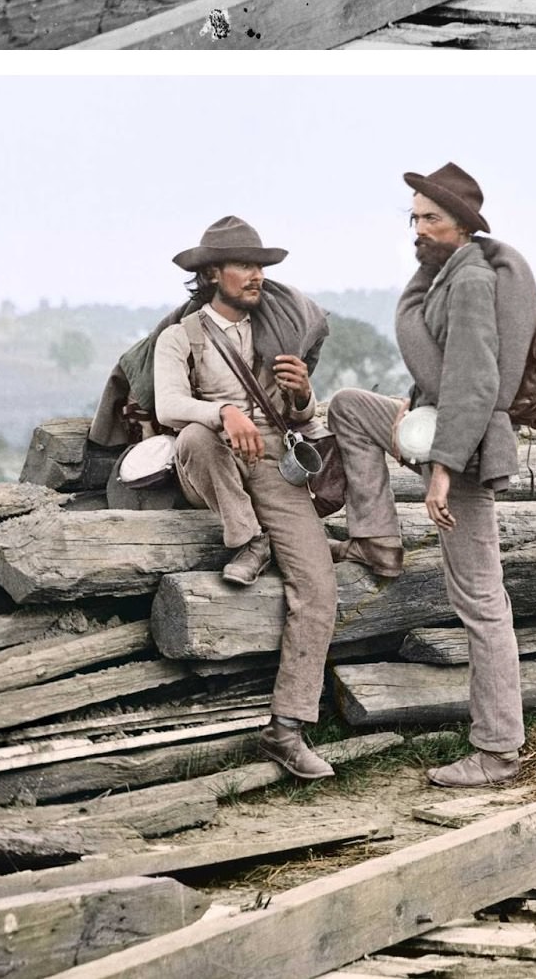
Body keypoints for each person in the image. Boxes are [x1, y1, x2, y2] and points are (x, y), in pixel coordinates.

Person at [327, 163, 536, 786]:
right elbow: (441, 366)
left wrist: (442, 471)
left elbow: (475, 383)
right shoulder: (442, 273)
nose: (417, 228)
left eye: (431, 219)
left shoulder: (471, 280)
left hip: (465, 447)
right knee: (347, 406)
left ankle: (498, 750)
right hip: (434, 423)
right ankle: (377, 539)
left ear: (463, 225)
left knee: (480, 601)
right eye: (414, 217)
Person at [153, 215, 339, 781]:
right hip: (212, 461)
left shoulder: (276, 333)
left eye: (260, 266)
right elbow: (168, 407)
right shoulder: (181, 336)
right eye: (244, 265)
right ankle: (248, 538)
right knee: (196, 434)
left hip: (273, 462)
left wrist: (303, 395)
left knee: (318, 583)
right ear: (212, 274)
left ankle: (286, 728)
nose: (257, 275)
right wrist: (222, 410)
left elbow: (299, 418)